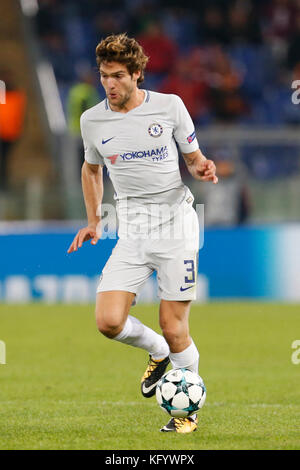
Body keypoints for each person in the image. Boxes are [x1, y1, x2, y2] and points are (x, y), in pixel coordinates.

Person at [67, 33, 218, 434]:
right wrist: (94, 221)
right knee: (108, 321)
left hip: (176, 226)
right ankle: (158, 353)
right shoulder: (92, 120)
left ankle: (186, 413)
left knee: (174, 324)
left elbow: (194, 157)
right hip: (131, 229)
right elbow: (91, 168)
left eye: (118, 76)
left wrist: (203, 167)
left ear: (137, 74)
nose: (110, 85)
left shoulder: (170, 107)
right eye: (104, 76)